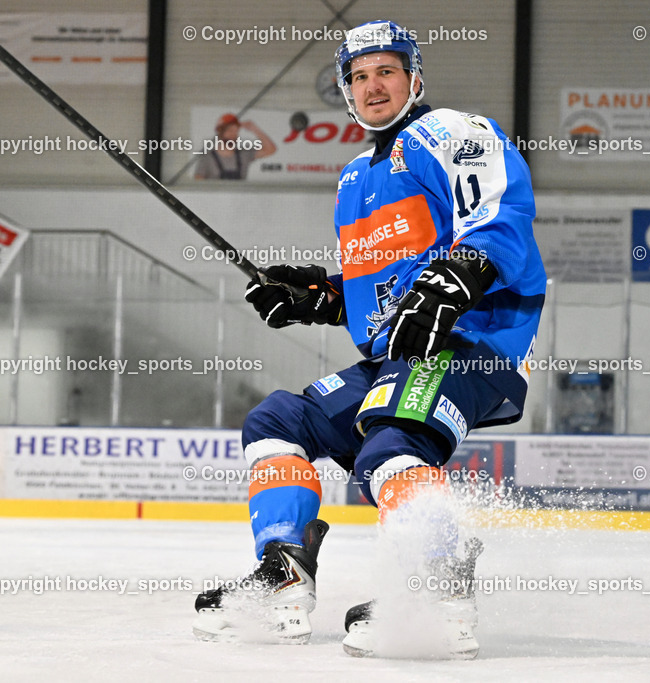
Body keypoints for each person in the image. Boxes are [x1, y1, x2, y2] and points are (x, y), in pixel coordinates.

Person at [193, 19, 546, 658]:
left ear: (415, 78)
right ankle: (284, 574)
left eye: (385, 70)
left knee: (392, 442)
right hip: (397, 355)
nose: (371, 85)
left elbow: (504, 219)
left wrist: (454, 280)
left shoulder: (452, 135)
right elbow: (381, 287)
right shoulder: (356, 176)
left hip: (470, 342)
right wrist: (319, 297)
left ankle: (442, 588)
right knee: (278, 421)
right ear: (345, 90)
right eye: (357, 76)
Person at [193, 113, 276, 180]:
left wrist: (255, 129)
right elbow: (198, 183)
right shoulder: (207, 156)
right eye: (230, 130)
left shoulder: (244, 153)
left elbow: (271, 149)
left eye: (236, 131)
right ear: (220, 132)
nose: (233, 134)